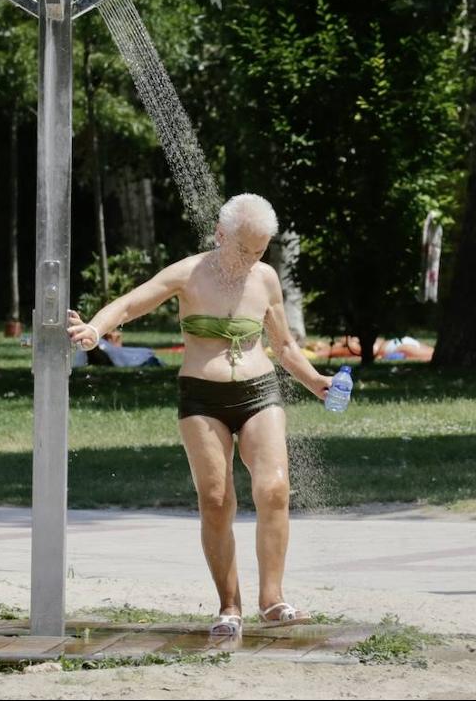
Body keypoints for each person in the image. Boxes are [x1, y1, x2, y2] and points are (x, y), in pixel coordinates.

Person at [68, 193, 333, 638]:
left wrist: (316, 382)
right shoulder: (189, 273)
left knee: (274, 489)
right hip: (201, 399)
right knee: (215, 500)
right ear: (220, 235)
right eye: (244, 248)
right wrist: (94, 329)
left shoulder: (265, 278)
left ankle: (273, 599)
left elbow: (284, 347)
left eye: (260, 249)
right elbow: (132, 303)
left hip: (259, 392)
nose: (252, 258)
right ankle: (230, 605)